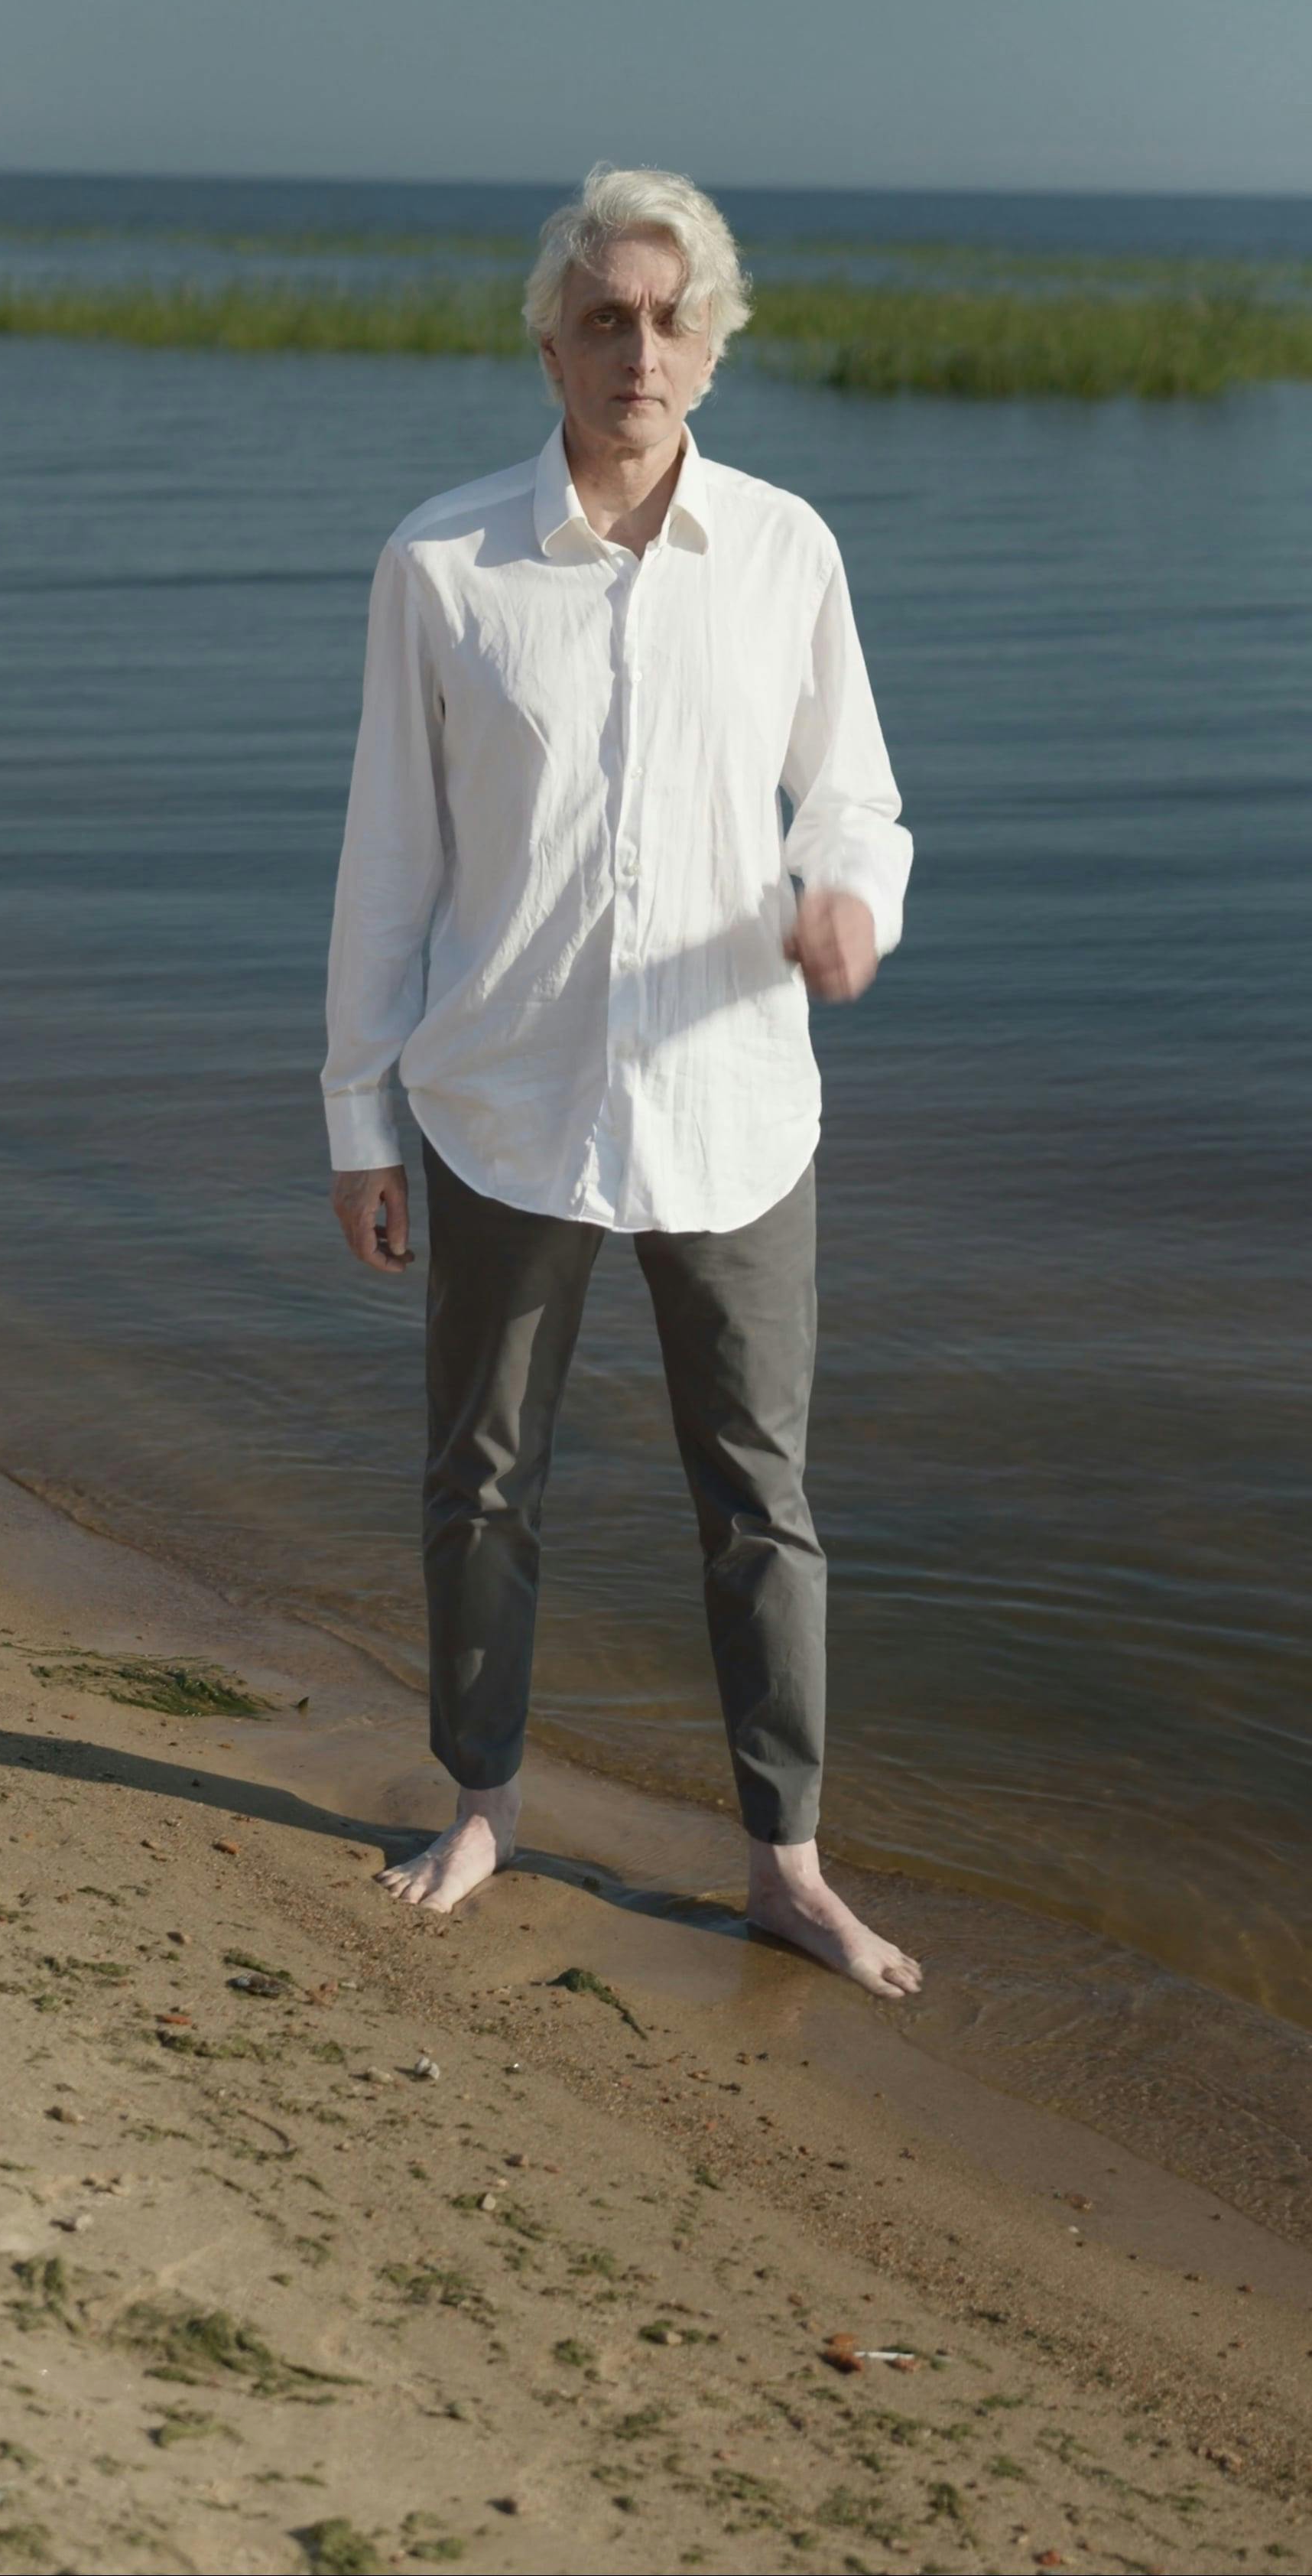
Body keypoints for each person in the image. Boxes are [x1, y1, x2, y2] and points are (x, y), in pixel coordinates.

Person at [320, 164, 921, 1999]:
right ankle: (481, 1801)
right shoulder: (441, 568)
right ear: (549, 345)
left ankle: (785, 1861)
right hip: (500, 1105)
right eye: (603, 319)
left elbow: (853, 800)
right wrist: (355, 1113)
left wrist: (849, 901)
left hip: (734, 1108)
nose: (636, 352)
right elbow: (387, 863)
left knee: (760, 1499)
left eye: (670, 321)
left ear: (712, 348)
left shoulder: (789, 554)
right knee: (480, 1480)